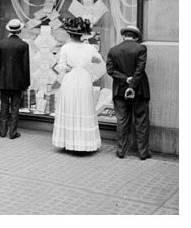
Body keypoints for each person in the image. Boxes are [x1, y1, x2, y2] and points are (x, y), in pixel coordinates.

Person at [52, 17, 103, 152]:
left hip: (71, 78)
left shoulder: (66, 48)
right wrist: (88, 65)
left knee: (70, 106)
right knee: (84, 106)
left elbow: (61, 67)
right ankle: (84, 143)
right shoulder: (90, 48)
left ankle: (69, 142)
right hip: (84, 79)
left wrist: (69, 68)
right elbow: (99, 61)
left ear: (69, 34)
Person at [106, 25, 151, 160]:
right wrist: (132, 84)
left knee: (122, 121)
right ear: (136, 37)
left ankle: (121, 151)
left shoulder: (113, 50)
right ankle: (143, 153)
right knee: (141, 121)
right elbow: (140, 69)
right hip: (139, 90)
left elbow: (110, 70)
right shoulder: (141, 48)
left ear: (124, 36)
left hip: (120, 90)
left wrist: (125, 80)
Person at [0, 18, 30, 139]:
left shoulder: (1, 44)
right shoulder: (24, 45)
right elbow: (26, 66)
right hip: (18, 81)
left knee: (4, 106)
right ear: (19, 31)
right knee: (15, 107)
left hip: (3, 80)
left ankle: (2, 131)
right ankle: (12, 132)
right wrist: (26, 83)